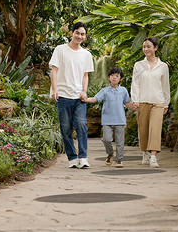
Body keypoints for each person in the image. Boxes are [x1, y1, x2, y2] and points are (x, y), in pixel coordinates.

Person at [49, 22, 94, 168]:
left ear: (85, 36)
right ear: (72, 33)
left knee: (81, 125)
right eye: (77, 33)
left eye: (82, 34)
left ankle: (83, 157)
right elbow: (54, 70)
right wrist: (55, 89)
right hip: (63, 95)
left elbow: (85, 75)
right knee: (66, 128)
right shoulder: (60, 50)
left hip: (79, 97)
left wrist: (84, 91)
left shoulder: (86, 54)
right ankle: (72, 158)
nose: (79, 36)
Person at [82, 67, 135, 168]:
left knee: (120, 142)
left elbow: (127, 103)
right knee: (106, 139)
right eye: (112, 76)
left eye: (117, 76)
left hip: (120, 120)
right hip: (107, 120)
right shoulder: (105, 91)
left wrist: (134, 107)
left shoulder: (123, 90)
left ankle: (119, 160)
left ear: (121, 79)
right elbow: (96, 99)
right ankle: (110, 154)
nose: (114, 78)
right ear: (109, 77)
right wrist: (86, 99)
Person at [131, 37, 170, 168]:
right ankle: (145, 153)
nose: (145, 49)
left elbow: (166, 86)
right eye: (144, 47)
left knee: (155, 128)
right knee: (143, 129)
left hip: (158, 102)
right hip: (142, 101)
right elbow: (135, 84)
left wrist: (166, 103)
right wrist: (135, 100)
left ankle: (153, 156)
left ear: (155, 48)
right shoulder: (138, 65)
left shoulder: (163, 66)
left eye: (148, 46)